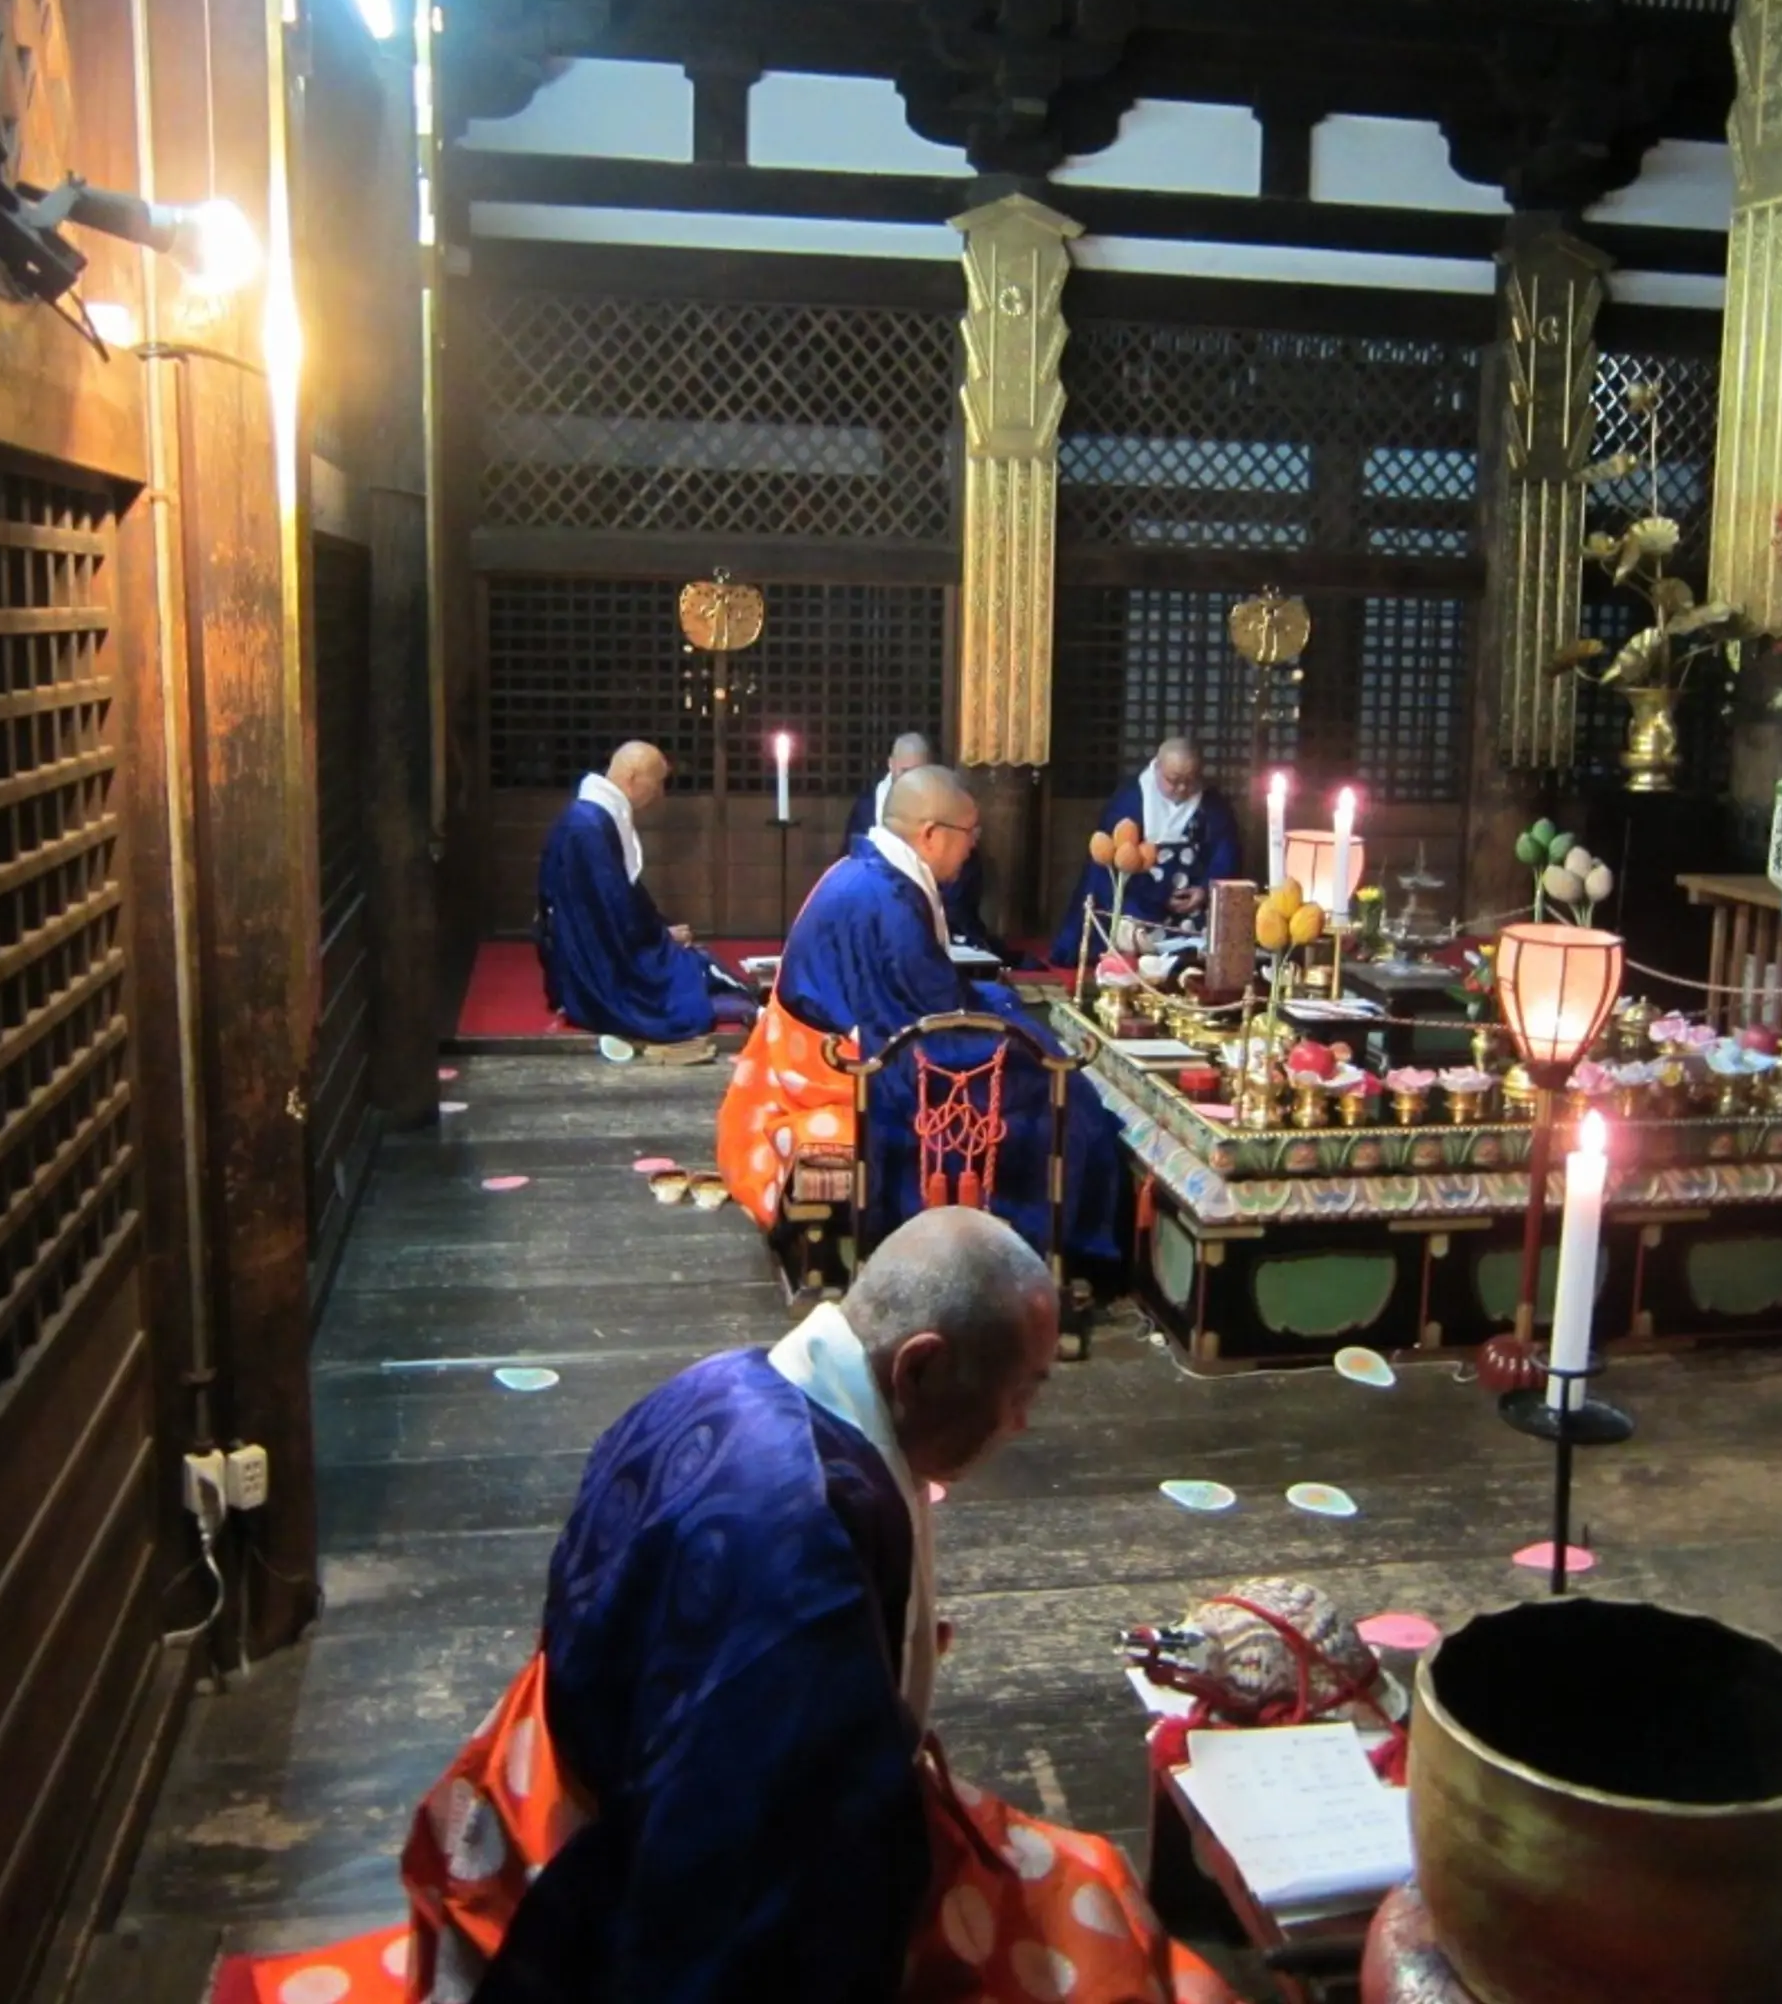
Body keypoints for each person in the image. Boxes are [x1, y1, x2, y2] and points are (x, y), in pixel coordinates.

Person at [388, 1211, 1227, 2004]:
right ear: (920, 1369)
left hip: (562, 1792)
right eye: (1021, 1392)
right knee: (1104, 1925)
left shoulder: (724, 1379)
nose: (1021, 1423)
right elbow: (771, 1892)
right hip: (629, 1897)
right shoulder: (802, 1552)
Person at [721, 767, 1122, 1263]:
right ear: (931, 834)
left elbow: (918, 997)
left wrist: (997, 1009)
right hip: (842, 1070)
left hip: (833, 1045)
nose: (974, 846)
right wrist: (1027, 1046)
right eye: (970, 832)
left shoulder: (865, 871)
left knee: (1018, 1026)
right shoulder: (885, 901)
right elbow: (924, 1035)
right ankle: (1042, 1257)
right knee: (1063, 1096)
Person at [537, 741, 753, 1061]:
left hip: (600, 945)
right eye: (657, 783)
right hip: (599, 960)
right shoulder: (588, 826)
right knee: (693, 972)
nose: (659, 795)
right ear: (633, 777)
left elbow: (623, 895)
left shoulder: (596, 816)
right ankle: (744, 1003)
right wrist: (660, 937)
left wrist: (660, 929)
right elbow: (611, 909)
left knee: (696, 963)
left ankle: (738, 998)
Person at [1050, 737, 1243, 967]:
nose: (1182, 788)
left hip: (1191, 903)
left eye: (1190, 781)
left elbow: (1225, 852)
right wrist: (1158, 895)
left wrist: (1204, 890)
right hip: (1139, 896)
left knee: (1211, 938)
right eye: (1173, 781)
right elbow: (1111, 862)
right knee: (1126, 923)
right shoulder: (1130, 799)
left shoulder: (1211, 804)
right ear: (1157, 767)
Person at [842, 732, 996, 952]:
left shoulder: (886, 878)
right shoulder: (893, 897)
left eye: (919, 771)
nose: (972, 843)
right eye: (905, 771)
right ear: (929, 833)